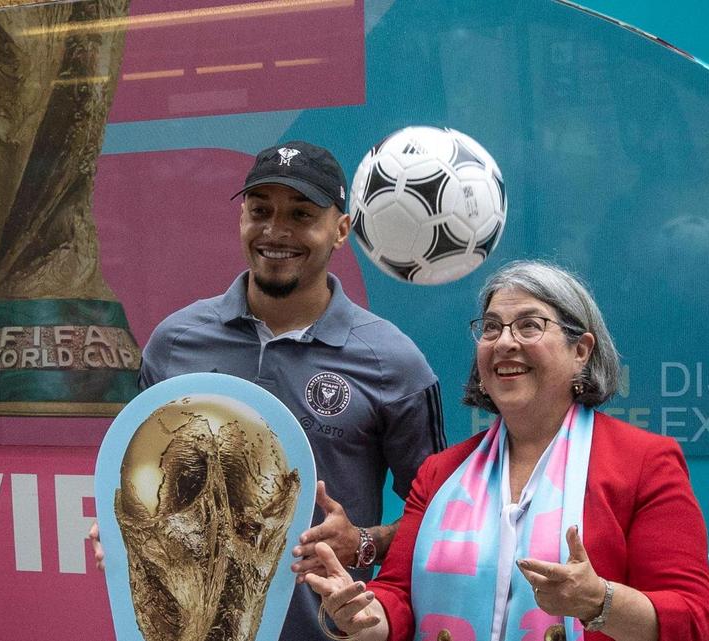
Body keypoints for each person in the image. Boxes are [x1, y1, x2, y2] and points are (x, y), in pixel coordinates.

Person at [91, 140, 446, 641]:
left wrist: (364, 543)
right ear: (241, 219)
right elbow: (139, 481)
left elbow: (440, 519)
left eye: (302, 214)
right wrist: (124, 531)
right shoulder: (175, 341)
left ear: (340, 229)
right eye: (260, 211)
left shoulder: (393, 363)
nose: (275, 231)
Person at [303, 260, 709, 641]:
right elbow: (397, 594)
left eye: (529, 326)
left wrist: (599, 602)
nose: (504, 342)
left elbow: (695, 621)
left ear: (581, 351)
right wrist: (361, 615)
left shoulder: (644, 461)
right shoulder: (440, 473)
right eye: (491, 327)